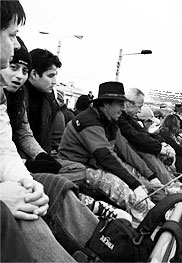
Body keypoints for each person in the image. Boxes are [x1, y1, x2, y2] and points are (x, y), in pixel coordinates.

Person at [0, 3, 99, 261]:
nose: (14, 45)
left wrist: (26, 180)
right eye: (11, 35)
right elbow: (20, 138)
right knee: (24, 211)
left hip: (21, 169)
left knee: (52, 187)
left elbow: (6, 145)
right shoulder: (19, 97)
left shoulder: (33, 99)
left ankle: (106, 244)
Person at [58, 81, 158, 216]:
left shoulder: (110, 122)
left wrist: (149, 177)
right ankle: (157, 214)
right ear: (106, 104)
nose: (123, 108)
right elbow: (105, 157)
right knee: (114, 183)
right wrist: (134, 185)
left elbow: (126, 151)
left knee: (136, 177)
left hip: (93, 167)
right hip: (75, 170)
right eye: (120, 104)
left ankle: (163, 196)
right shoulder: (88, 121)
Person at [1, 36, 62, 174]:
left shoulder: (20, 97)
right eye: (14, 67)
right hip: (12, 165)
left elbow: (24, 133)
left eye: (24, 71)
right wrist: (27, 164)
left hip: (14, 163)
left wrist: (42, 156)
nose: (20, 76)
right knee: (59, 184)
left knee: (75, 170)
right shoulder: (13, 95)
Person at [117, 87, 175, 184]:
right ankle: (170, 185)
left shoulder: (125, 117)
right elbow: (136, 137)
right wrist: (161, 148)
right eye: (139, 106)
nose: (140, 111)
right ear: (128, 104)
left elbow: (141, 133)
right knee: (147, 153)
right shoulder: (120, 119)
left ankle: (170, 184)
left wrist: (161, 144)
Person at [24, 48, 64, 154]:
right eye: (50, 76)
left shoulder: (49, 102)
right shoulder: (17, 96)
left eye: (55, 76)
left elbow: (45, 141)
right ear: (34, 74)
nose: (54, 82)